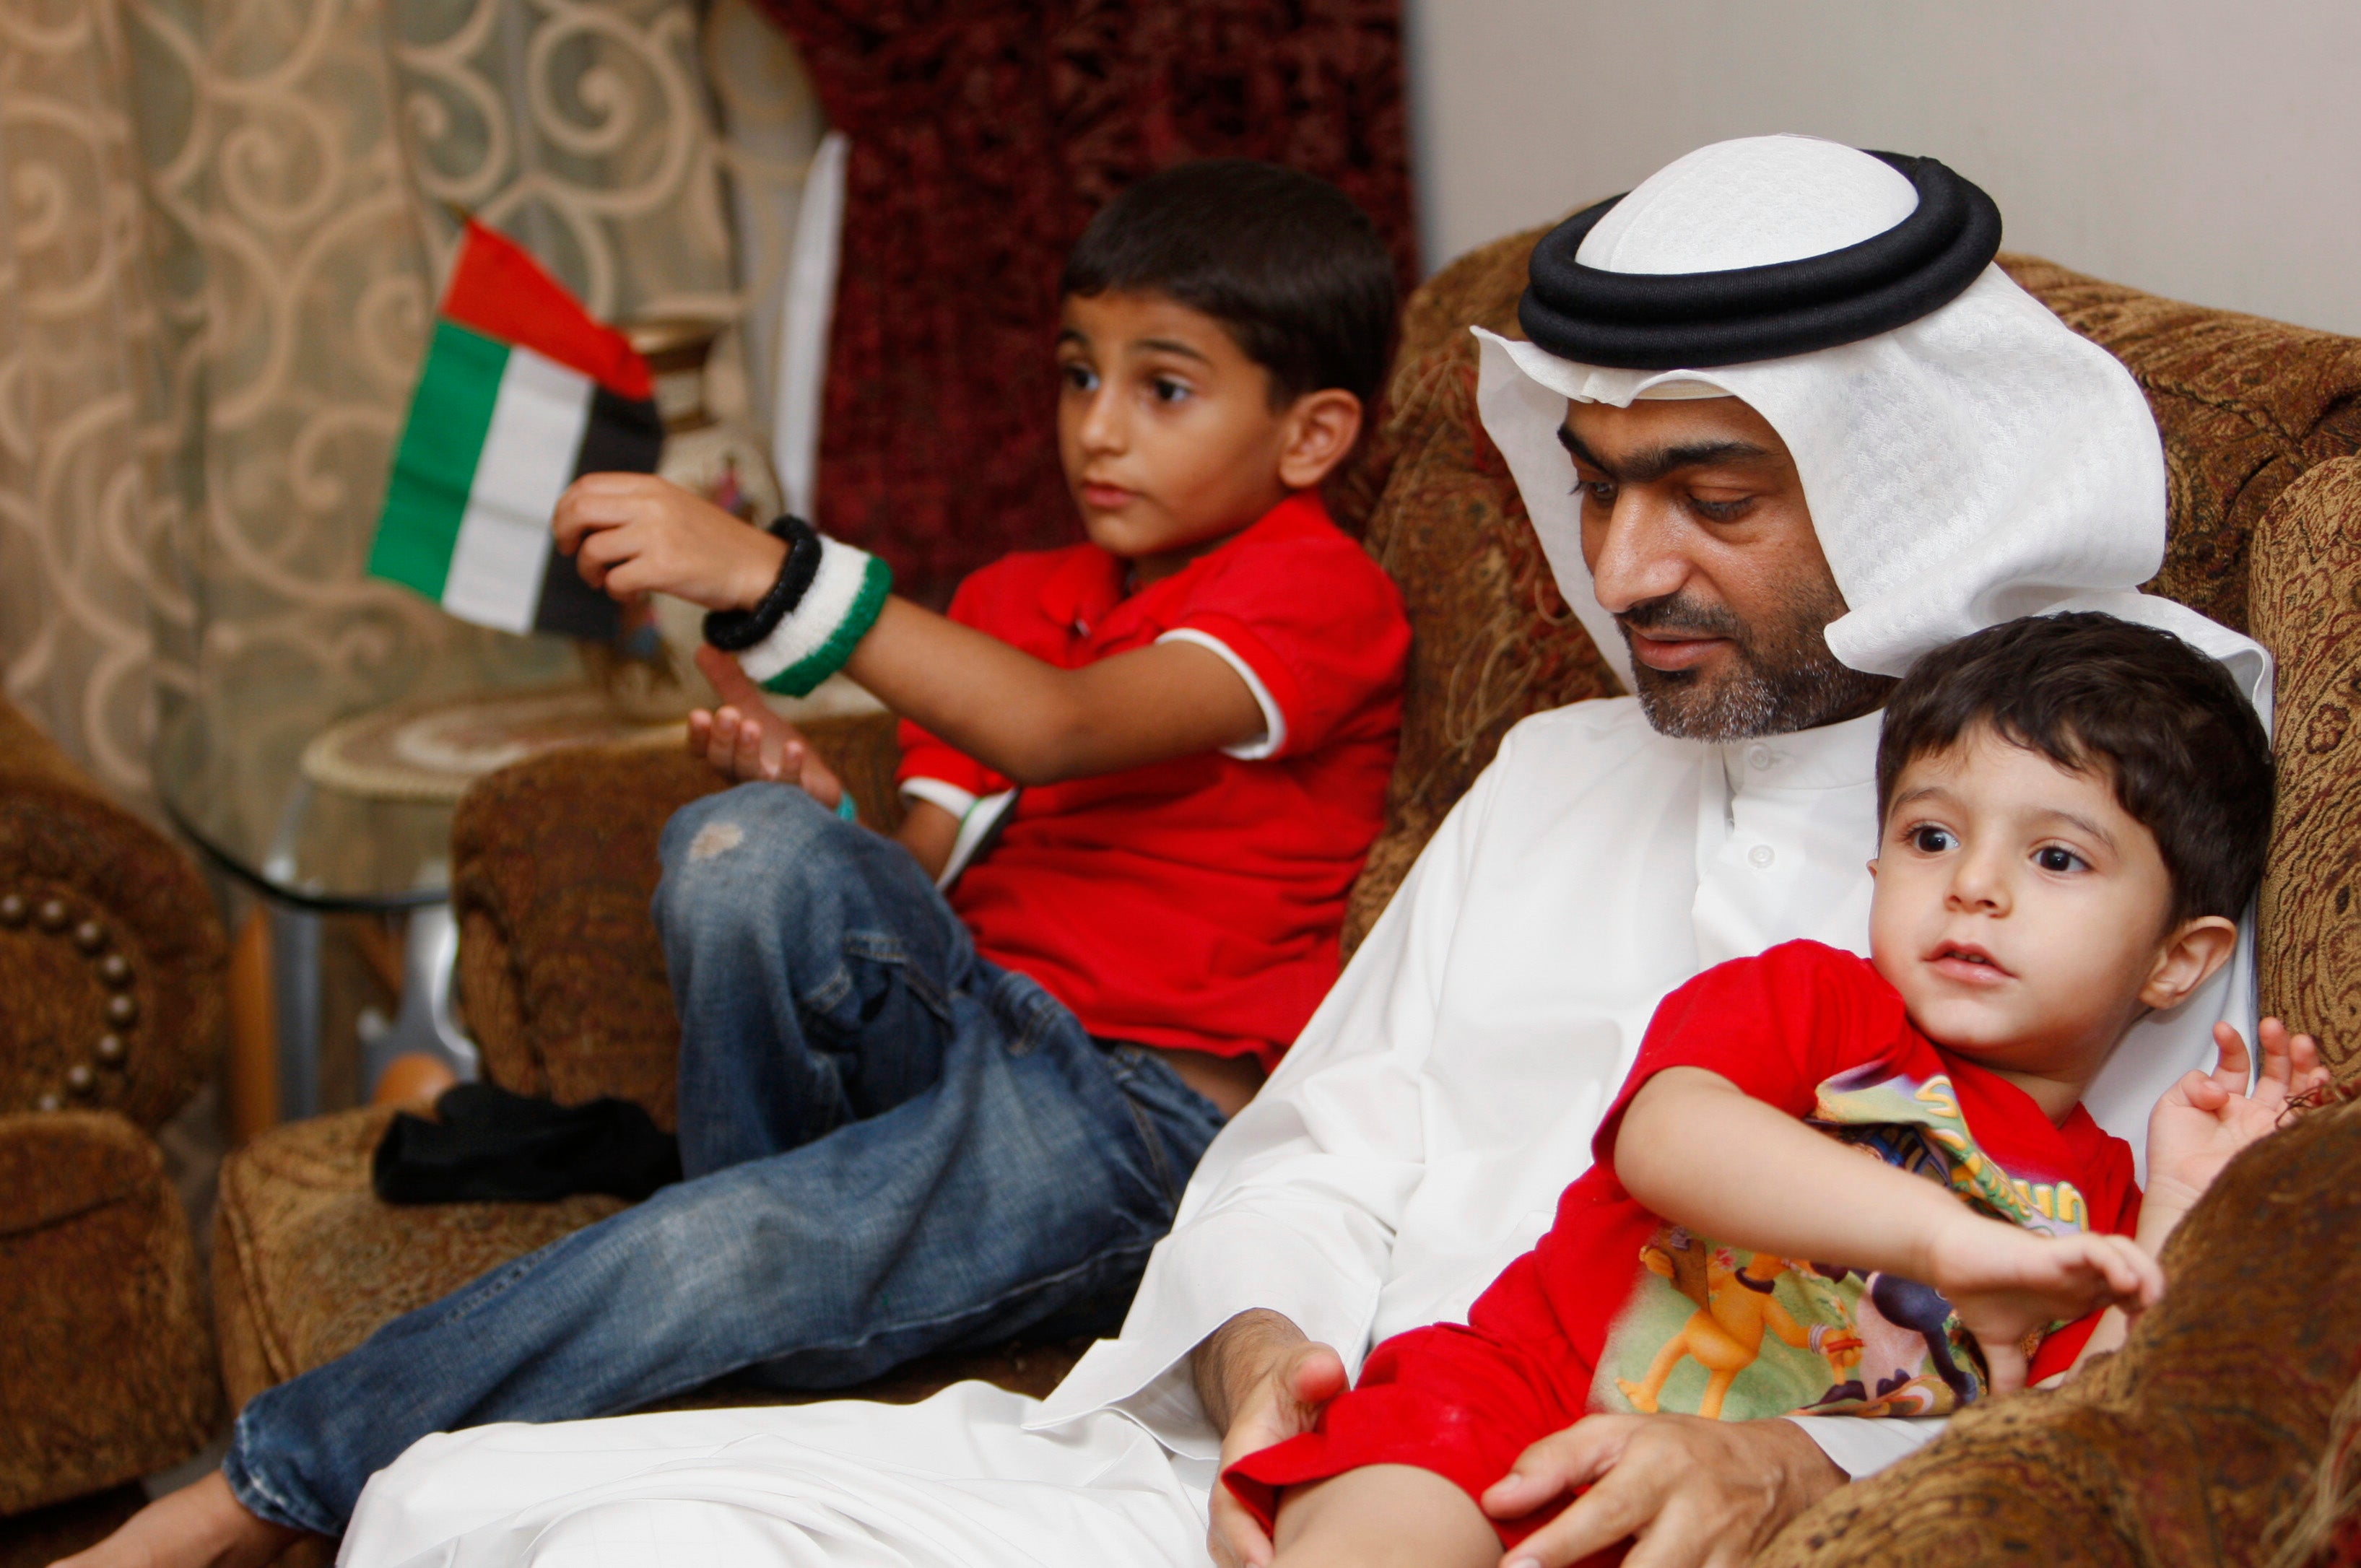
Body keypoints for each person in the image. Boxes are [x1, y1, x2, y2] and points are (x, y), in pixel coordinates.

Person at [327, 136, 2279, 1568]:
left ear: (1899, 477)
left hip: (1663, 1516)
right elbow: (1322, 1136)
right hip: (1286, 1468)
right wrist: (1263, 1348)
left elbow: (2132, 1306)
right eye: (1596, 495)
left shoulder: (2110, 775)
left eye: (1708, 499)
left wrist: (1791, 1477)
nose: (1622, 575)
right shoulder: (1553, 765)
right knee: (450, 1508)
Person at [60, 159, 1409, 1568]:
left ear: (1312, 435)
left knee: (732, 1246)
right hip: (963, 1045)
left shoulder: (1319, 594)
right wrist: (817, 815)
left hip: (1132, 1116)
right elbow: (928, 875)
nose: (1099, 431)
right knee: (737, 844)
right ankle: (776, 1266)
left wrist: (768, 572)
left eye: (1164, 389)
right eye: (1080, 376)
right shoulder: (1021, 598)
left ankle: (245, 1494)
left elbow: (1060, 729)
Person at [1225, 613, 2326, 1568]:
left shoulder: (2091, 1214)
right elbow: (1670, 1139)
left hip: (1761, 1521)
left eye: (2055, 860)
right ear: (1875, 871)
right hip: (1506, 1408)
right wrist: (1943, 1244)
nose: (1974, 887)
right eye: (1929, 836)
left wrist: (2182, 1210)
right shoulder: (1816, 1001)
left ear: (2177, 963)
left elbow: (2061, 1444)